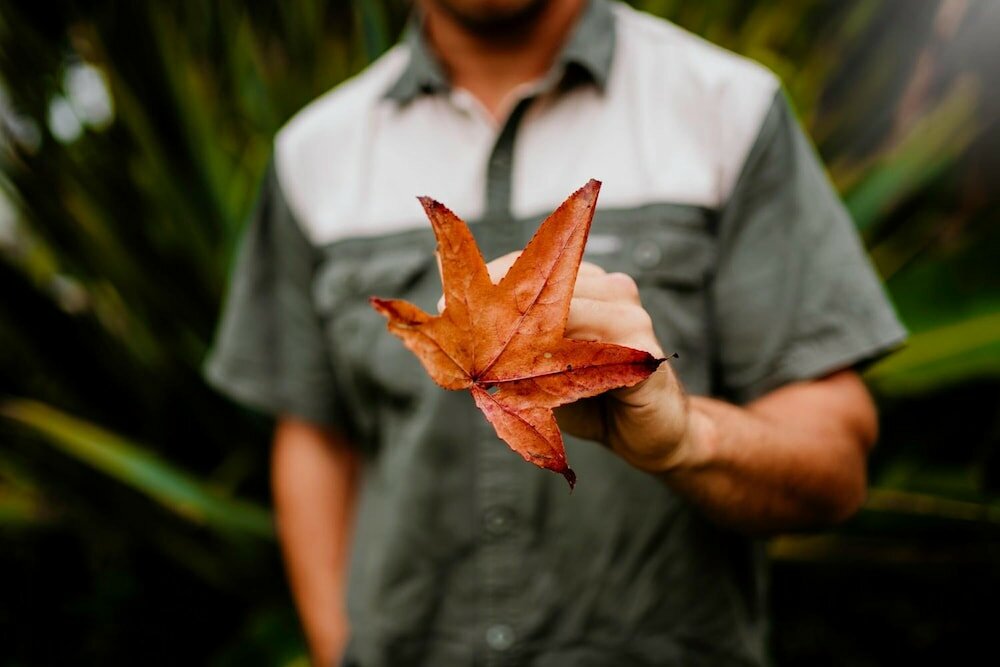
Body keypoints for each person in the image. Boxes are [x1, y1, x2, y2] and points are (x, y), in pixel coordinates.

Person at [205, 0, 906, 665]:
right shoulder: (315, 152)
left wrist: (688, 438)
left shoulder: (724, 107)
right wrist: (337, 650)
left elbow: (836, 464)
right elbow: (314, 440)